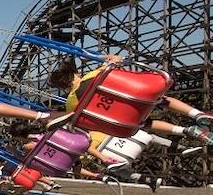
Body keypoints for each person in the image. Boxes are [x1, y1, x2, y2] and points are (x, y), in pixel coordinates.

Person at [48, 53, 213, 145]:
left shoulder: (70, 104)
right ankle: (196, 114)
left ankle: (184, 130)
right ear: (74, 73)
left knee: (142, 122)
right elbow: (117, 60)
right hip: (137, 98)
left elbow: (81, 123)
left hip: (123, 122)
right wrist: (107, 58)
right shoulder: (95, 74)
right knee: (159, 99)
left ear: (62, 86)